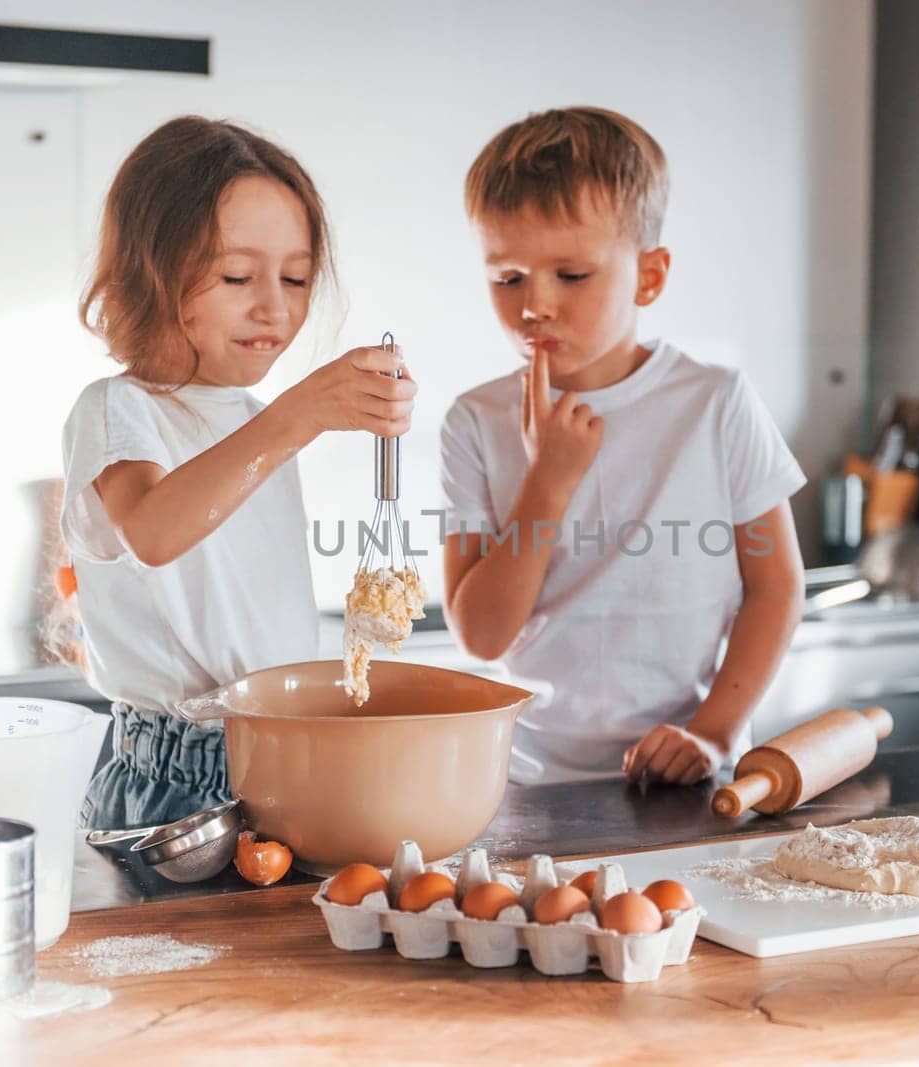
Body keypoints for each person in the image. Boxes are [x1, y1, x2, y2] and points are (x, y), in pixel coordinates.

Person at [62, 116, 415, 828]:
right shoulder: (119, 410)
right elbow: (156, 530)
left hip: (284, 756)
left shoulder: (254, 418)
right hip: (177, 781)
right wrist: (300, 414)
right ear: (150, 272)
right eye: (236, 276)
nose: (276, 307)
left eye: (296, 277)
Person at [439, 106, 808, 787]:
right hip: (530, 785)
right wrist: (548, 479)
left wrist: (713, 731)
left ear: (649, 275)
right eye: (507, 276)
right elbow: (482, 635)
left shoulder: (715, 402)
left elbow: (776, 587)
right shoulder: (474, 421)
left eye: (571, 274)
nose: (534, 304)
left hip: (691, 773)